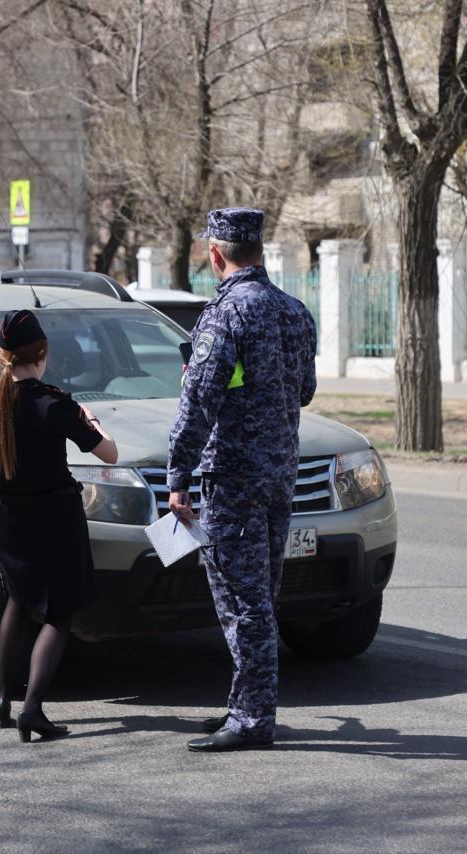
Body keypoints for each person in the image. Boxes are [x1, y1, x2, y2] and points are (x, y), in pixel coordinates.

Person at [166, 207, 317, 753]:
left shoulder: (225, 314)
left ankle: (252, 717)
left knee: (240, 600)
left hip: (233, 476)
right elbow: (304, 391)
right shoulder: (295, 311)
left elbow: (199, 402)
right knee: (260, 596)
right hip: (280, 473)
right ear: (258, 250)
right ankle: (247, 704)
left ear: (215, 254)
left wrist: (178, 473)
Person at [0, 309, 118, 743]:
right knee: (58, 613)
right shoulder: (56, 403)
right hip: (56, 517)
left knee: (19, 601)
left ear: (2, 357)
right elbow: (109, 453)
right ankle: (31, 709)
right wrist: (92, 421)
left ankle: (2, 699)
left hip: (9, 517)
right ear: (42, 355)